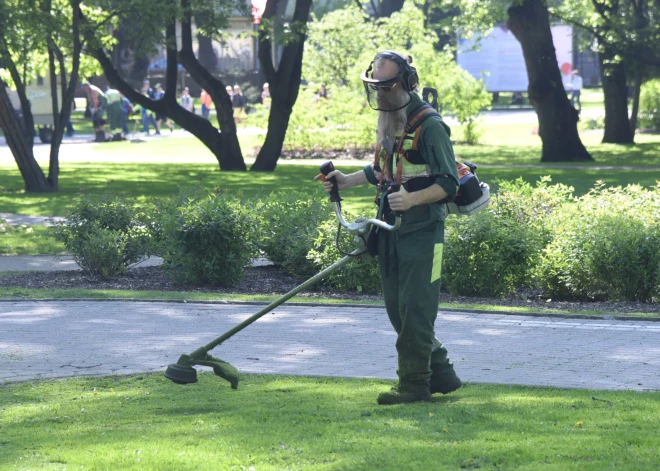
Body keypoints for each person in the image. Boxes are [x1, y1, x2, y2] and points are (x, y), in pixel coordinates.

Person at [314, 51, 462, 405]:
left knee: (417, 310)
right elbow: (384, 169)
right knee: (398, 309)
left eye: (387, 87)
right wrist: (345, 181)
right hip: (390, 229)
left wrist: (411, 200)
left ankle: (413, 386)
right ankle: (441, 372)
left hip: (423, 232)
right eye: (374, 88)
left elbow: (449, 183)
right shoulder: (390, 120)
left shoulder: (430, 126)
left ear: (406, 83)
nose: (380, 95)